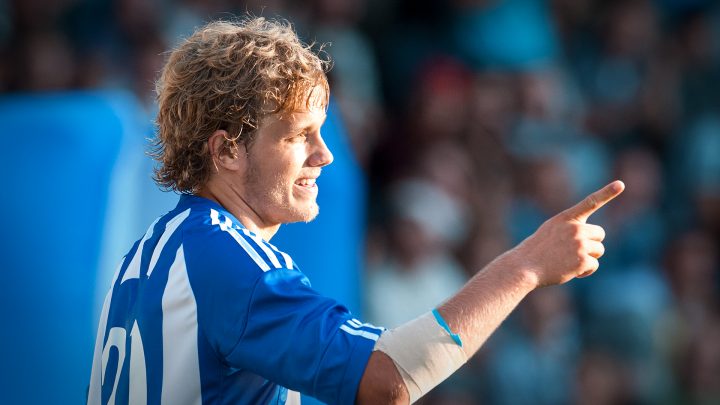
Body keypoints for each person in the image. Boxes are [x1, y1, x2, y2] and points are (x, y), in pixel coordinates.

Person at [87, 17, 625, 405]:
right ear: (226, 150)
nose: (325, 155)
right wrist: (525, 266)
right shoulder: (228, 261)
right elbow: (387, 381)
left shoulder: (149, 255)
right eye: (299, 135)